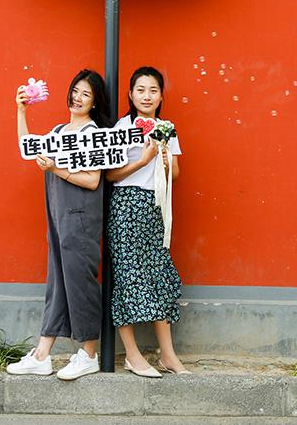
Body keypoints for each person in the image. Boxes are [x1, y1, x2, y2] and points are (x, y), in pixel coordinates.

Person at [7, 69, 109, 380]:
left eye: (86, 94)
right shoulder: (58, 131)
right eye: (75, 91)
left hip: (81, 218)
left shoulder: (93, 134)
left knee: (80, 282)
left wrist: (56, 168)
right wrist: (21, 111)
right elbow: (28, 146)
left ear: (94, 102)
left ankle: (89, 354)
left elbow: (92, 181)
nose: (78, 98)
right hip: (58, 216)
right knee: (58, 282)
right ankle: (42, 355)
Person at [106, 66, 190, 377]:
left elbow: (176, 174)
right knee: (126, 276)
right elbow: (110, 176)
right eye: (140, 90)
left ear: (161, 96)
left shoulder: (167, 128)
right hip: (126, 205)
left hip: (157, 207)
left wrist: (165, 161)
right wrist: (142, 160)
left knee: (158, 274)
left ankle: (168, 355)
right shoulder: (122, 128)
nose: (146, 96)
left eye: (153, 90)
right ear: (130, 94)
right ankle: (132, 355)